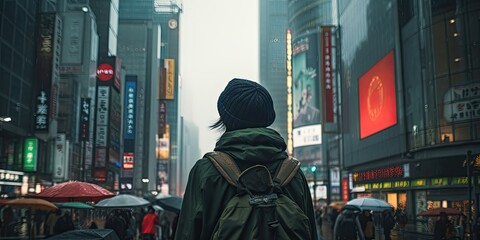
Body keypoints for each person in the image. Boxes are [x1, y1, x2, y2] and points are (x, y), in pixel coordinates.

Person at [174, 78, 317, 240]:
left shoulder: (205, 172)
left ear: (225, 117)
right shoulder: (294, 173)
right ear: (267, 118)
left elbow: (187, 233)